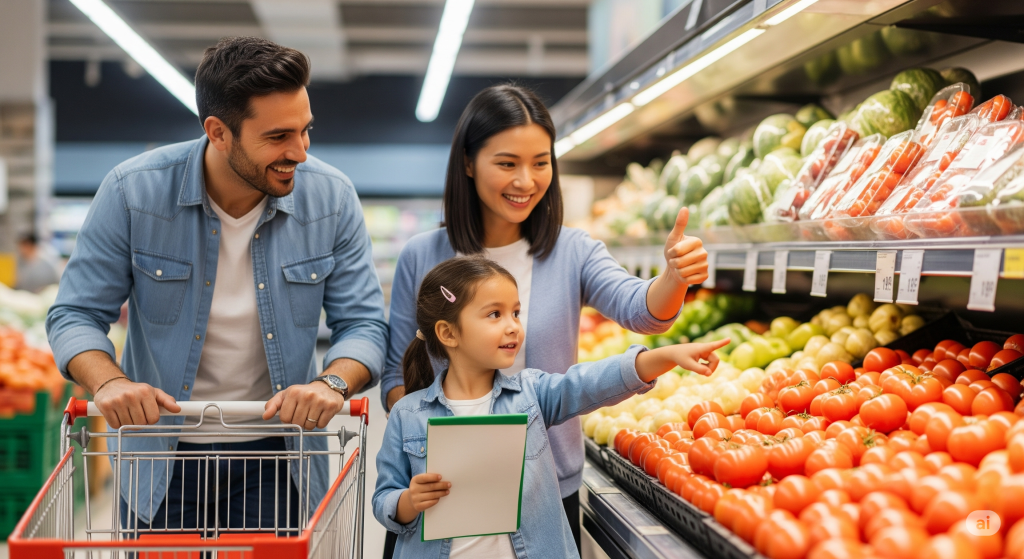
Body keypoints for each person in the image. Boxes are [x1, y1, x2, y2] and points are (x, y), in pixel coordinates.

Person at [45, 37, 388, 534]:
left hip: (279, 458)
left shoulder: (331, 200)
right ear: (218, 132)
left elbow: (363, 324)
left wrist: (330, 383)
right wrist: (109, 381)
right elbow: (74, 313)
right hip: (159, 459)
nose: (301, 152)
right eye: (278, 137)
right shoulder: (132, 192)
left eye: (305, 130)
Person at [380, 84, 708, 553]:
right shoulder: (423, 255)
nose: (526, 180)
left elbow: (641, 309)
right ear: (469, 163)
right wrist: (424, 435)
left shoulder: (572, 250)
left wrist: (675, 277)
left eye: (540, 162)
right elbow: (398, 373)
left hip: (546, 490)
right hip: (440, 493)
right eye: (507, 163)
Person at [373, 256, 728, 558]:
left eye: (515, 312)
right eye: (494, 315)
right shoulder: (408, 414)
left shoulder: (530, 396)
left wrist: (666, 356)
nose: (513, 326)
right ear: (448, 333)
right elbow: (384, 498)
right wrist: (409, 501)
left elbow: (590, 382)